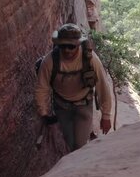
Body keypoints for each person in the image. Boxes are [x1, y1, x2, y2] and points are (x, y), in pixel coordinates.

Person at [35, 23, 113, 151]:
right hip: (62, 107)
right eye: (63, 46)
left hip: (84, 105)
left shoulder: (90, 59)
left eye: (71, 46)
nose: (67, 50)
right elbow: (41, 88)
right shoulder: (50, 61)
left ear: (78, 44)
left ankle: (83, 165)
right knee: (71, 144)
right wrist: (43, 113)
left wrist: (106, 116)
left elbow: (102, 86)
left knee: (79, 146)